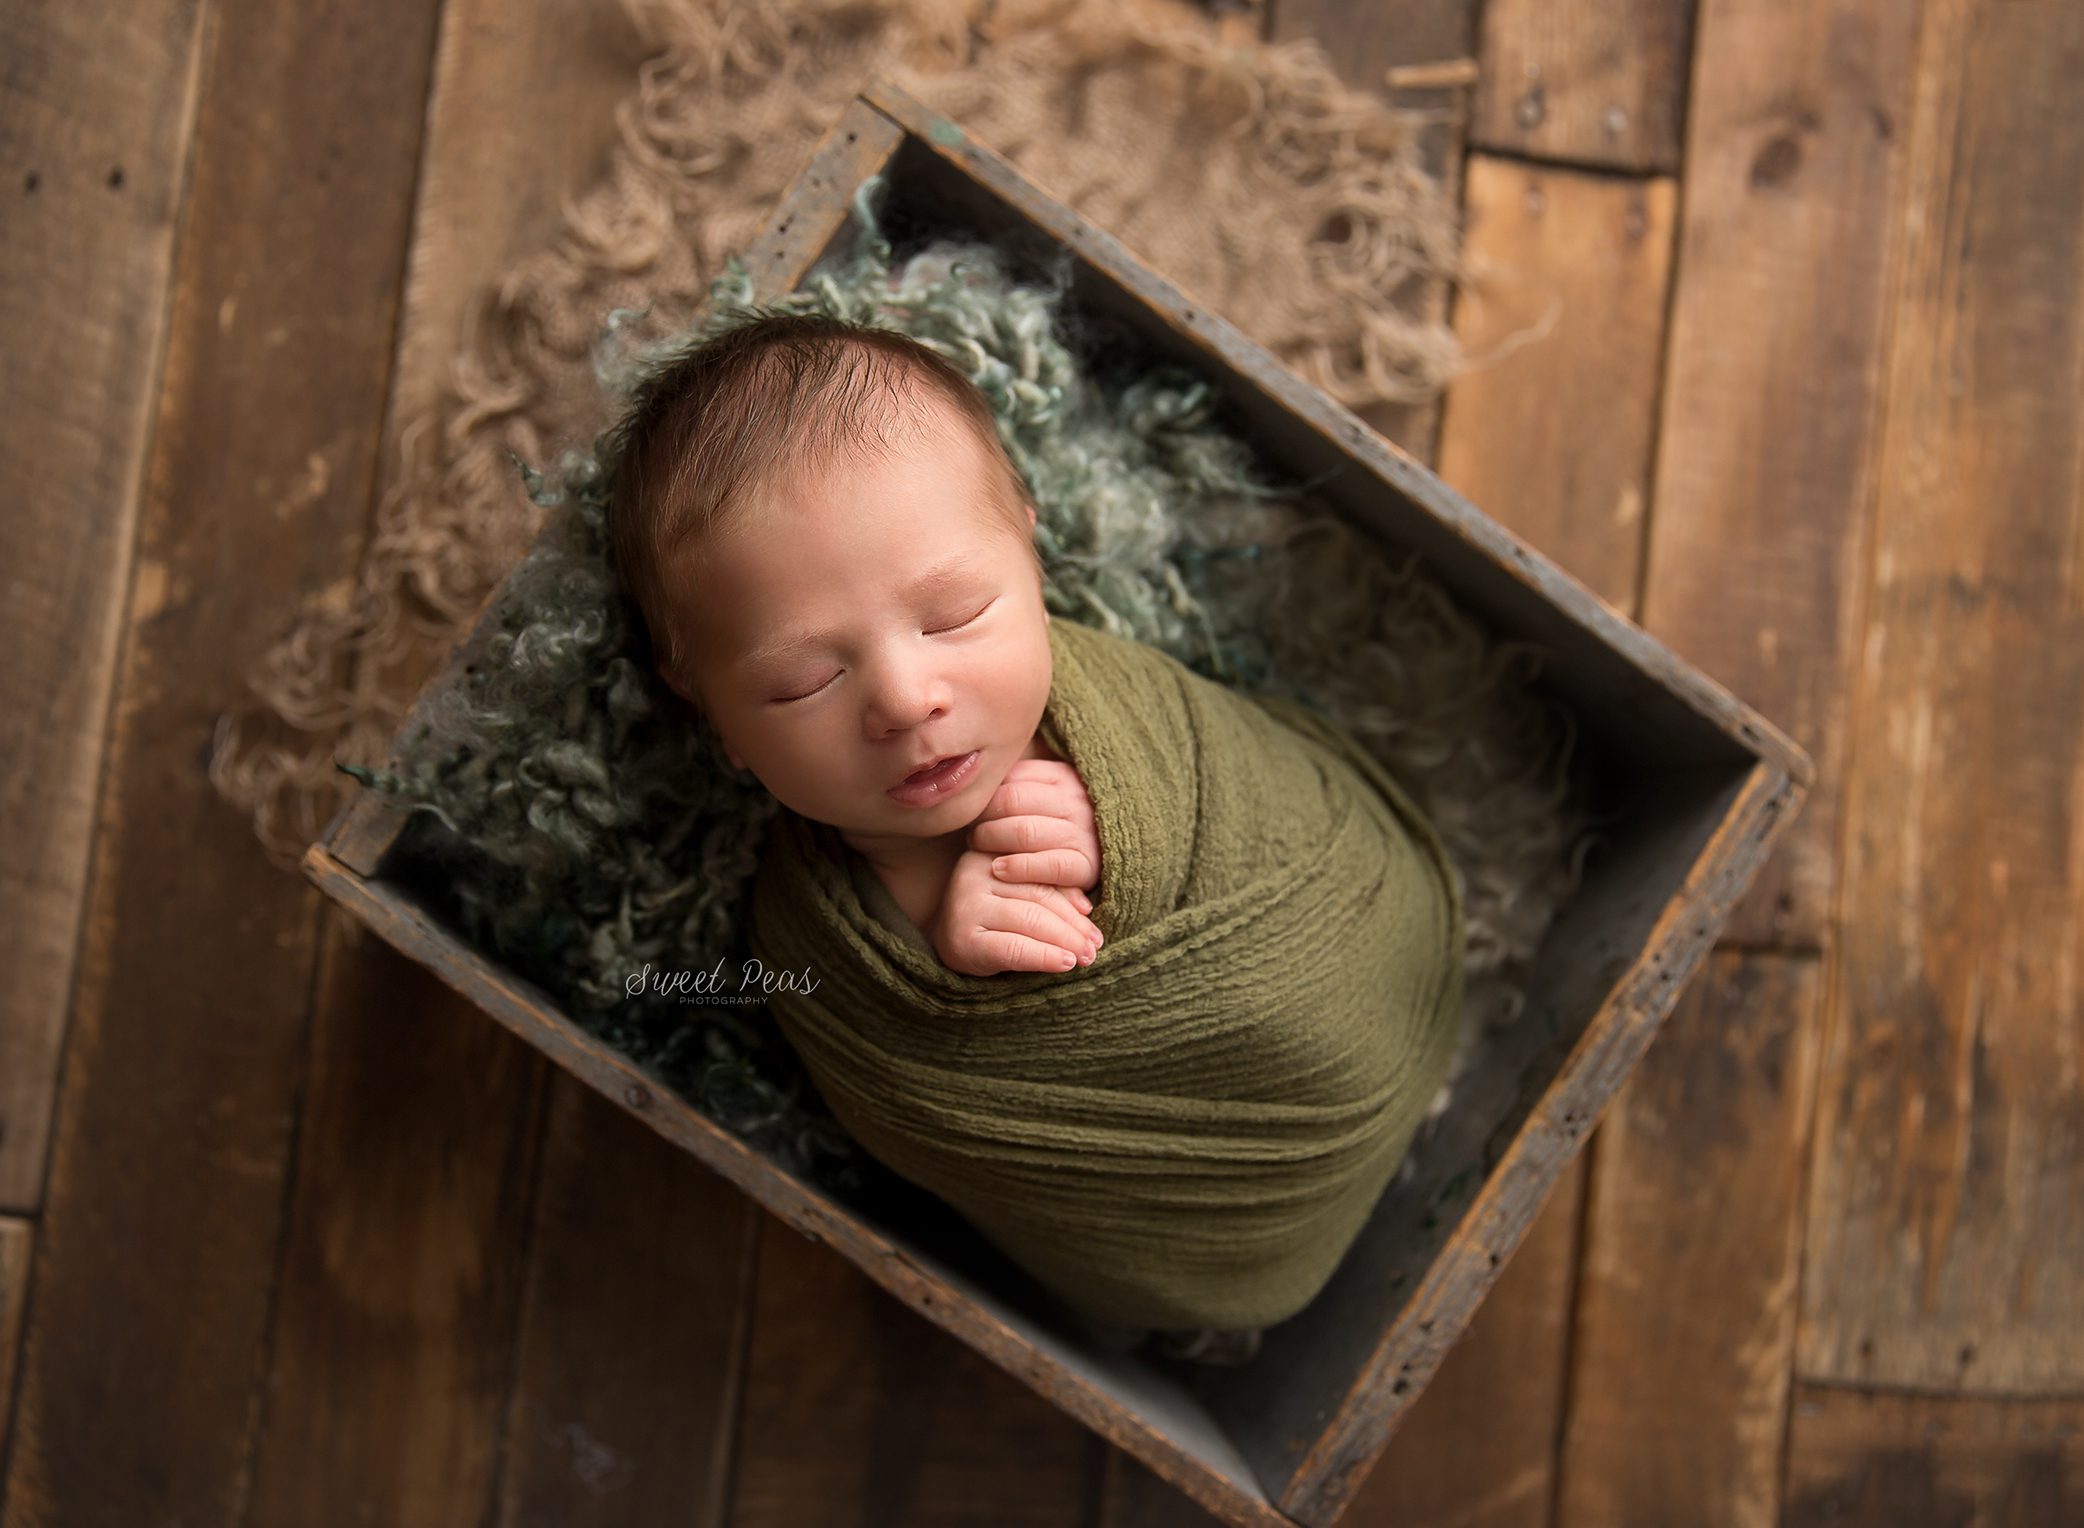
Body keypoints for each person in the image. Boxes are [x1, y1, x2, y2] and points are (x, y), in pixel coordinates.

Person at [604, 308, 1106, 978]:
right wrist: (952, 956)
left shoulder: (1131, 711)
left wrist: (1121, 818)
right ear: (713, 716)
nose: (903, 700)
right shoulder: (809, 939)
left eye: (955, 615)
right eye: (805, 681)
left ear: (1032, 564)